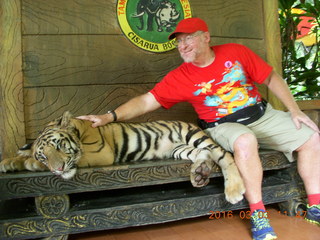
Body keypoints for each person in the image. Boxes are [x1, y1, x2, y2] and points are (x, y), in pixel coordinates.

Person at [77, 18, 320, 240]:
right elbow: (146, 101)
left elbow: (270, 78)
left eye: (188, 38)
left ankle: (315, 207)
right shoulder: (180, 76)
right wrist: (110, 116)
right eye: (179, 42)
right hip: (223, 125)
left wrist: (295, 110)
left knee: (311, 138)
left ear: (206, 37)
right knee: (245, 140)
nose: (183, 45)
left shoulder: (236, 52)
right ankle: (258, 215)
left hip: (261, 114)